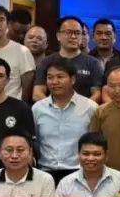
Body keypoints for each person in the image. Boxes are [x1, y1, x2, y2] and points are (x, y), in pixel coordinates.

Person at [32, 56, 97, 184]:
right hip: (46, 173)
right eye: (50, 77)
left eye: (60, 77)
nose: (54, 82)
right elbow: (36, 142)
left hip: (79, 173)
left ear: (72, 79)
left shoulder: (90, 107)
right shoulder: (38, 109)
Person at [32, 16, 103, 102]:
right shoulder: (45, 62)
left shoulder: (93, 63)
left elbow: (97, 94)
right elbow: (37, 93)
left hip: (84, 109)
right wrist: (55, 107)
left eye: (77, 33)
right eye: (68, 32)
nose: (73, 36)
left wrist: (82, 108)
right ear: (58, 36)